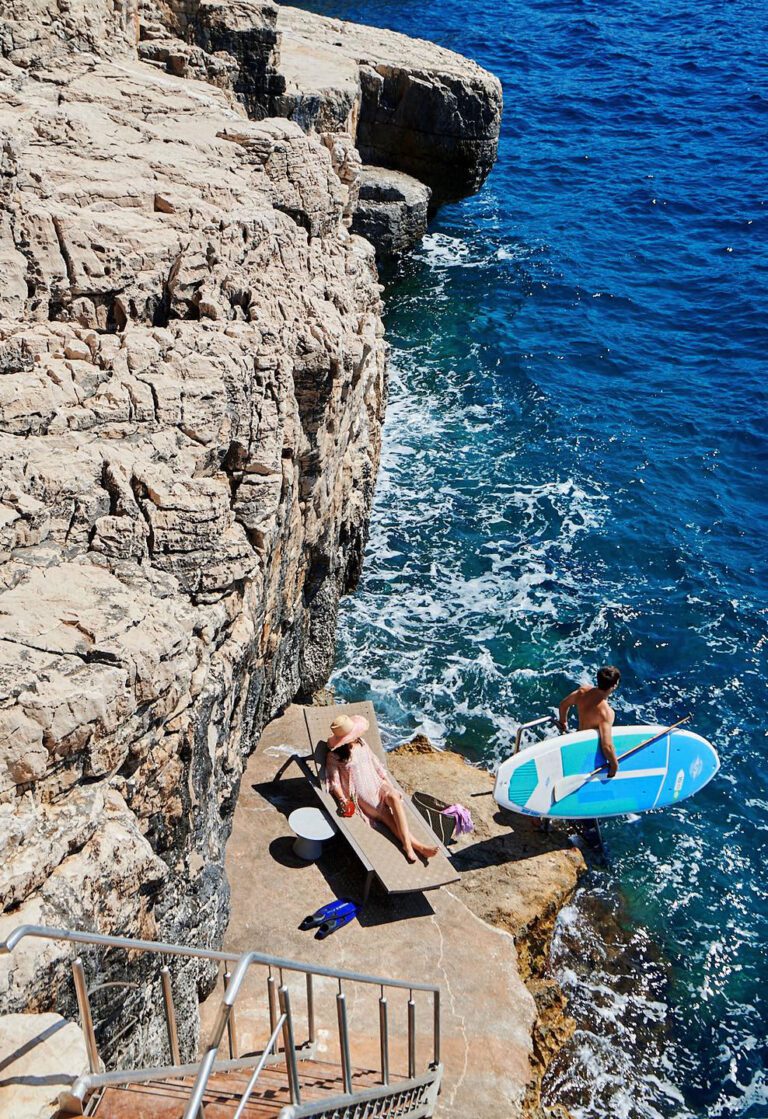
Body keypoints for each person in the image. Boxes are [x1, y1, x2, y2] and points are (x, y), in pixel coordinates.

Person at [325, 714, 438, 864]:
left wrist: (389, 783)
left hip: (377, 783)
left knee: (394, 797)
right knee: (387, 818)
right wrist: (343, 800)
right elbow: (335, 783)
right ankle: (416, 847)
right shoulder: (334, 756)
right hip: (363, 793)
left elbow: (375, 763)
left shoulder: (362, 743)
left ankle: (409, 846)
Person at [557, 666, 621, 777]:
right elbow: (607, 746)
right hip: (587, 748)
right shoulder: (606, 713)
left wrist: (563, 722)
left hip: (577, 737)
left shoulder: (582, 691)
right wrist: (614, 766)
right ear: (614, 685)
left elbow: (563, 705)